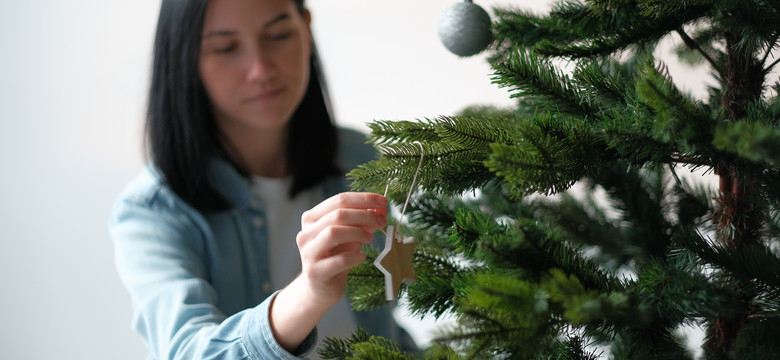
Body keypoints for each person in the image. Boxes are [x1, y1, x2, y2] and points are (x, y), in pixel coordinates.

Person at [109, 0, 404, 358]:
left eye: (278, 35)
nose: (260, 69)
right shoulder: (153, 211)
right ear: (186, 58)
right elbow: (187, 351)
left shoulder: (359, 158)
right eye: (226, 48)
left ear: (306, 30)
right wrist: (308, 295)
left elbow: (388, 328)